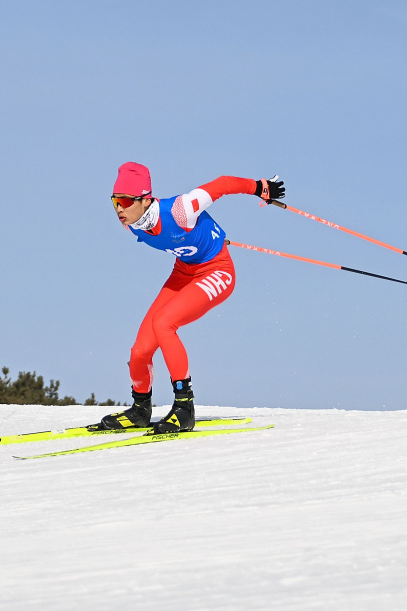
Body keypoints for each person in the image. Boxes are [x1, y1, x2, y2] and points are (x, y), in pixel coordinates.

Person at [100, 162, 285, 434]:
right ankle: (140, 409)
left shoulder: (180, 210)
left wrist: (260, 187)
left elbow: (222, 184)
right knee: (139, 352)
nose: (119, 208)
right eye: (115, 201)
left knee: (164, 323)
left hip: (218, 270)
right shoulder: (132, 223)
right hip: (183, 273)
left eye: (126, 201)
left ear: (145, 198)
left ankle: (184, 407)